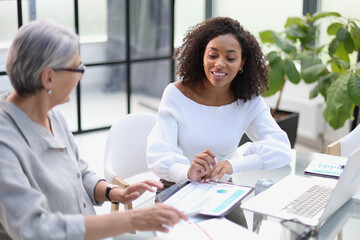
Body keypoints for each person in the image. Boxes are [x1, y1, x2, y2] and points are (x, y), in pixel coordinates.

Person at [0, 19, 187, 240]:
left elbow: (79, 172)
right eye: (77, 68)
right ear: (49, 77)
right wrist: (130, 220)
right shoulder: (5, 144)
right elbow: (35, 229)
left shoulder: (51, 114)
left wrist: (115, 193)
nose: (81, 75)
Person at [146, 17, 292, 226]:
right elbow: (158, 154)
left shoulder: (248, 100)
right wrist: (188, 171)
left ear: (242, 63)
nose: (220, 64)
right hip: (176, 187)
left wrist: (231, 165)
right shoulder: (176, 94)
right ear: (201, 56)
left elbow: (281, 149)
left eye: (231, 58)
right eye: (213, 55)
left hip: (221, 190)